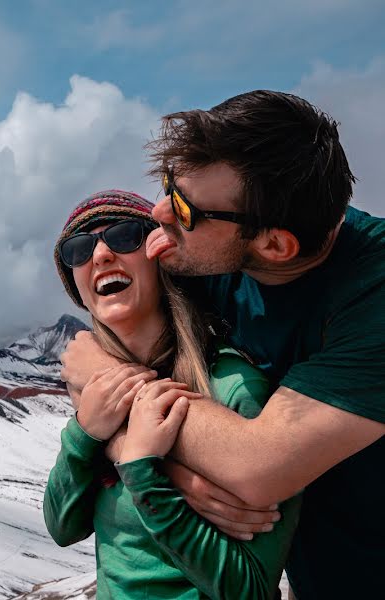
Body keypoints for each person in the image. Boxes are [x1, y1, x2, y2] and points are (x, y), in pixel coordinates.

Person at [60, 91, 385, 599]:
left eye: (185, 209)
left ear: (275, 245)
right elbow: (94, 356)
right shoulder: (202, 256)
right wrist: (163, 471)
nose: (160, 214)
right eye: (168, 185)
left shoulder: (374, 296)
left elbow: (257, 469)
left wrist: (112, 396)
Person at [43, 190, 300, 600]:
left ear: (160, 256)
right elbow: (62, 526)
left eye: (125, 236)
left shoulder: (234, 388)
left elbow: (250, 588)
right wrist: (85, 432)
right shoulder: (97, 396)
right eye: (79, 249)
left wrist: (145, 475)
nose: (102, 255)